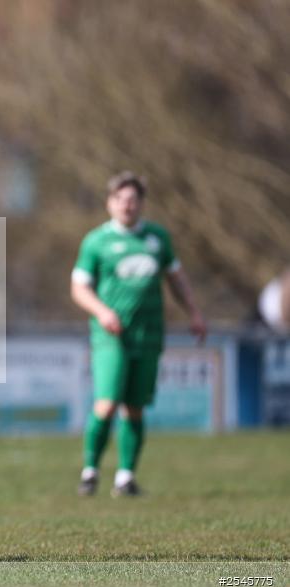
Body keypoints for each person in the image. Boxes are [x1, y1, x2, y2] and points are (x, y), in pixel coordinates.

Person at [71, 171, 206, 497]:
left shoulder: (157, 238)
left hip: (149, 333)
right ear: (109, 203)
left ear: (142, 203)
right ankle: (90, 472)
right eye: (120, 199)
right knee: (107, 403)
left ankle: (125, 478)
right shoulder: (97, 241)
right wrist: (102, 311)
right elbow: (79, 288)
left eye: (132, 199)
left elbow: (176, 278)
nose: (126, 205)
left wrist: (194, 312)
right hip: (111, 335)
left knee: (134, 407)